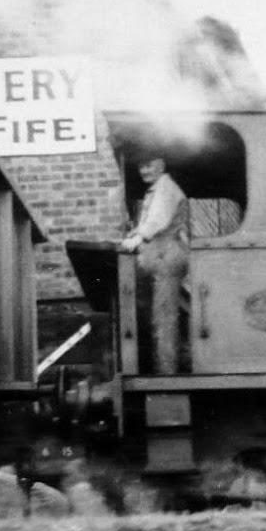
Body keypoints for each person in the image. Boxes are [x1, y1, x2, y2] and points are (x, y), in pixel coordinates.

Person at [121, 157, 188, 374]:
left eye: (148, 165)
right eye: (141, 166)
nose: (144, 171)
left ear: (161, 165)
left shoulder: (166, 189)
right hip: (159, 258)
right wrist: (136, 232)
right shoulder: (157, 189)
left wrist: (137, 239)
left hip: (166, 257)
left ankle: (167, 371)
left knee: (164, 317)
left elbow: (158, 220)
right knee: (160, 315)